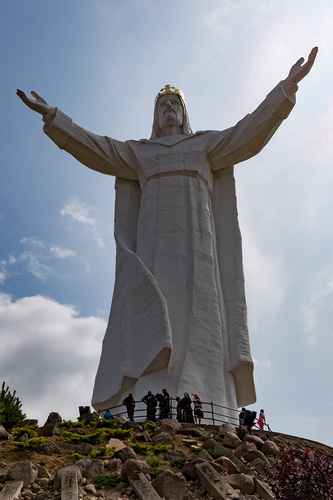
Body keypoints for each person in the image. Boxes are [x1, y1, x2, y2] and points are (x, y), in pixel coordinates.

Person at [17, 48, 318, 415]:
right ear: (155, 115)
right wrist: (54, 118)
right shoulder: (139, 153)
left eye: (175, 103)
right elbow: (96, 148)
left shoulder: (205, 145)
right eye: (163, 105)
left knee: (201, 316)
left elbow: (249, 132)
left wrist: (285, 89)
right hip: (154, 247)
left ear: (184, 112)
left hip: (199, 247)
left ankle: (209, 400)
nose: (169, 109)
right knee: (153, 314)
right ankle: (142, 401)